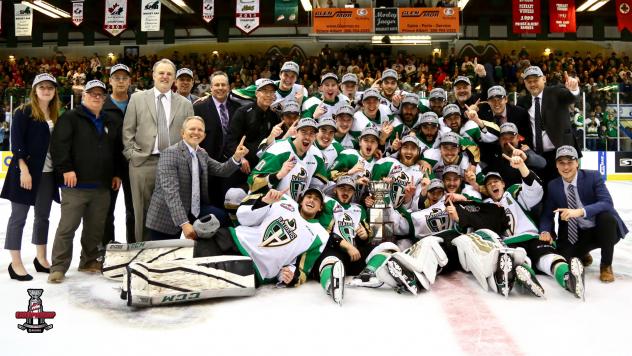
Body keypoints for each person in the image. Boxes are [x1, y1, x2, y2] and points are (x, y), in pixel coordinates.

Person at [48, 80, 124, 284]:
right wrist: (66, 169)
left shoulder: (109, 120)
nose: (96, 97)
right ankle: (58, 267)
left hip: (102, 186)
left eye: (100, 94)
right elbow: (58, 146)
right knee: (67, 227)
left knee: (95, 228)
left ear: (105, 98)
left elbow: (117, 151)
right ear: (84, 96)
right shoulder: (71, 118)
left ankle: (89, 260)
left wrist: (117, 173)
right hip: (75, 185)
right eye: (92, 94)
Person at [482, 155, 584, 299]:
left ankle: (568, 277)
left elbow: (535, 191)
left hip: (533, 237)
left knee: (548, 258)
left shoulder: (513, 192)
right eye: (489, 184)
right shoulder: (486, 205)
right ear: (486, 189)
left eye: (496, 181)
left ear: (503, 184)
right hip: (510, 244)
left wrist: (522, 167)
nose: (493, 185)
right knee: (519, 262)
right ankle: (528, 278)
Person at [123, 58, 195, 242]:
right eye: (161, 73)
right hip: (143, 162)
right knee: (142, 213)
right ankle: (142, 257)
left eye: (169, 74)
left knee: (172, 211)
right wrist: (132, 154)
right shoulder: (138, 99)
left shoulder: (185, 104)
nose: (165, 76)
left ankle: (165, 256)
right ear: (153, 75)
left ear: (174, 79)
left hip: (173, 164)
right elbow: (128, 130)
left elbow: (191, 135)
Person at [145, 116, 249, 240]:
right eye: (192, 129)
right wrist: (184, 223)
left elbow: (222, 170)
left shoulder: (201, 153)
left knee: (222, 218)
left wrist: (237, 157)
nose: (196, 132)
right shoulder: (170, 153)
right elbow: (170, 193)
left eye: (200, 130)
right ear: (183, 133)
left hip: (194, 208)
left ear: (204, 135)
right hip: (166, 215)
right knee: (166, 255)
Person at [1, 73, 61, 281]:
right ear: (35, 90)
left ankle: (41, 258)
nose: (46, 90)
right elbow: (16, 144)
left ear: (54, 92)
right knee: (18, 218)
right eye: (42, 87)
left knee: (42, 217)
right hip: (25, 173)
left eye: (50, 88)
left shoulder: (55, 115)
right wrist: (24, 170)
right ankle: (15, 263)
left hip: (47, 174)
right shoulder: (23, 112)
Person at [539, 145, 629, 283]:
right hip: (576, 234)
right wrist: (546, 231)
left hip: (601, 230)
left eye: (570, 162)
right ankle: (584, 252)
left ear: (577, 163)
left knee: (607, 218)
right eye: (561, 163)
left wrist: (580, 212)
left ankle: (606, 265)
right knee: (564, 259)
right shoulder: (553, 185)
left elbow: (606, 203)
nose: (566, 167)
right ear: (556, 165)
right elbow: (547, 214)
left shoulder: (593, 177)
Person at [517, 66, 581, 184]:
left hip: (560, 153)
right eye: (529, 81)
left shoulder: (556, 92)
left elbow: (571, 97)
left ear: (544, 79)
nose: (532, 84)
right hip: (535, 155)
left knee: (565, 190)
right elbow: (522, 126)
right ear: (525, 83)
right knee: (541, 190)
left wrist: (574, 88)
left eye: (535, 80)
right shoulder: (523, 101)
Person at [248, 118, 328, 201]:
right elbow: (252, 184)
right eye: (304, 132)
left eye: (312, 134)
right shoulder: (278, 150)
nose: (307, 137)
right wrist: (278, 175)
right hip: (268, 202)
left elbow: (318, 186)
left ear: (315, 137)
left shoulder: (317, 155)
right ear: (296, 133)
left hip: (296, 207)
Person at [194, 71, 242, 206]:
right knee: (212, 202)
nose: (220, 88)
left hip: (232, 163)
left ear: (229, 87)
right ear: (211, 87)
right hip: (209, 163)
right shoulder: (199, 107)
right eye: (217, 85)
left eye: (223, 85)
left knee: (230, 202)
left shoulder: (237, 107)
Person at [227, 79, 281, 188]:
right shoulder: (242, 112)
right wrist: (240, 159)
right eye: (265, 91)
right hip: (242, 167)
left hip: (263, 168)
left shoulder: (274, 116)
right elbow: (230, 141)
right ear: (256, 93)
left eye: (271, 92)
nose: (268, 95)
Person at [103, 63, 135, 245]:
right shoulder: (102, 105)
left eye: (124, 78)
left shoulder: (137, 103)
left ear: (130, 81)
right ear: (110, 81)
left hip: (133, 164)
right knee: (107, 210)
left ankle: (133, 245)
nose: (121, 81)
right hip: (109, 167)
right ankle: (108, 248)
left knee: (134, 210)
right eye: (117, 78)